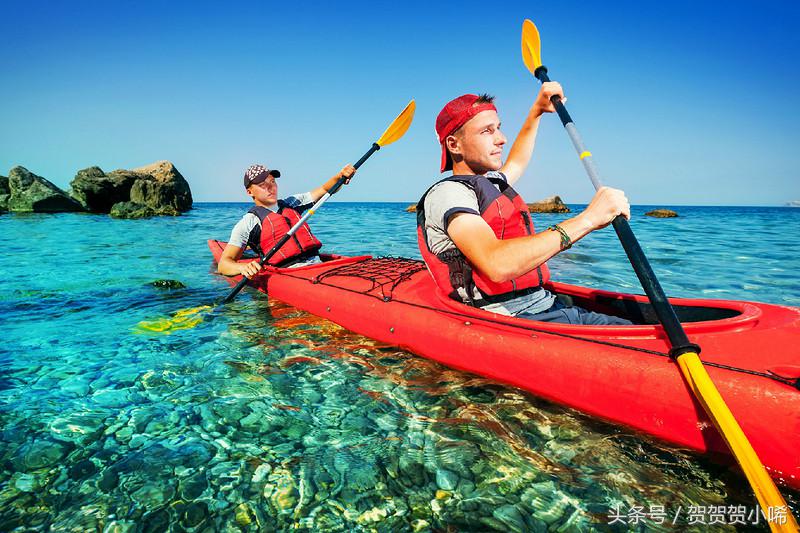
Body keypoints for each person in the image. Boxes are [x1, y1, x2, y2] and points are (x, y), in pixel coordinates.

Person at [416, 83, 633, 325]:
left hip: (545, 304)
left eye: (499, 128)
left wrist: (537, 111)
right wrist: (589, 219)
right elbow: (496, 264)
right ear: (454, 145)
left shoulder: (490, 183)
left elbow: (517, 161)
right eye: (487, 131)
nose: (502, 139)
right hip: (509, 318)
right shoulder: (449, 194)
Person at [218, 163, 355, 278]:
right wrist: (243, 268)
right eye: (262, 185)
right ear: (250, 192)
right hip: (289, 274)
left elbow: (325, 189)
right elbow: (224, 264)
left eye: (272, 182)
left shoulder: (292, 203)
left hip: (318, 265)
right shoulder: (248, 223)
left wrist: (340, 177)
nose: (270, 187)